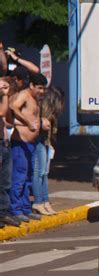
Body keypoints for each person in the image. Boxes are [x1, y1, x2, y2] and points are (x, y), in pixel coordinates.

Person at [8, 72, 47, 222]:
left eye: (44, 89)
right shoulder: (24, 95)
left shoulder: (33, 98)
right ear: (31, 85)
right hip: (20, 143)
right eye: (39, 88)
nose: (41, 91)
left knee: (27, 178)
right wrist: (28, 123)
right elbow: (13, 107)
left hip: (30, 144)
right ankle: (15, 210)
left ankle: (25, 208)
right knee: (19, 178)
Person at [32, 87, 64, 215]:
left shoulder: (51, 115)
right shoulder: (42, 113)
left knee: (44, 173)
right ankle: (38, 202)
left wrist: (50, 144)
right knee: (38, 173)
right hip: (39, 141)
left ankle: (45, 201)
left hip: (45, 142)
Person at [0, 77, 21, 228]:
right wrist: (5, 95)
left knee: (6, 181)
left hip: (4, 143)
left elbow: (7, 119)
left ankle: (3, 212)